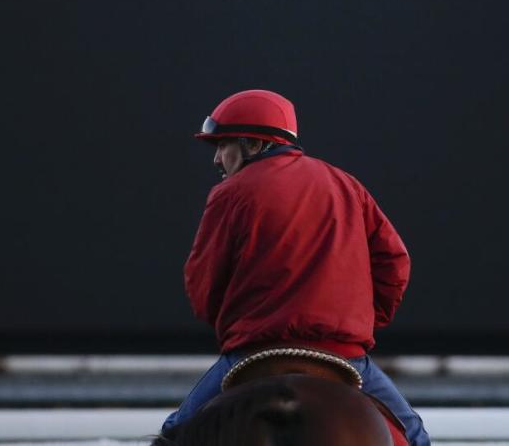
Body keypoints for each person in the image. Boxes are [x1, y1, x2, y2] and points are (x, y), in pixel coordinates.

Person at [161, 89, 430, 446]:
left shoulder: (229, 194)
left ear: (254, 145)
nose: (217, 160)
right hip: (344, 353)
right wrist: (358, 323)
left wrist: (232, 322)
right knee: (416, 437)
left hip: (254, 350)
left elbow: (202, 286)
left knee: (172, 435)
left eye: (222, 145)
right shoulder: (347, 185)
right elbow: (394, 264)